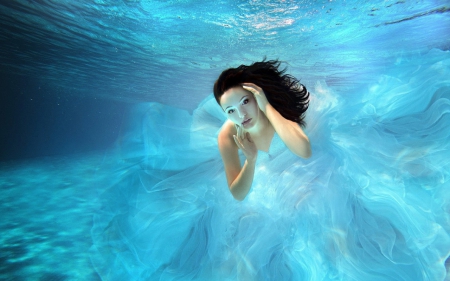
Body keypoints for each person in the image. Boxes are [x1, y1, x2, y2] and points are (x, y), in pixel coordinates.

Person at [213, 60, 312, 200]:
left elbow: (305, 152)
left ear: (256, 95)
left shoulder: (274, 107)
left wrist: (266, 106)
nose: (241, 115)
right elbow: (238, 194)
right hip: (271, 196)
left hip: (307, 176)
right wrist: (250, 160)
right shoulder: (228, 134)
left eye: (245, 102)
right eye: (231, 111)